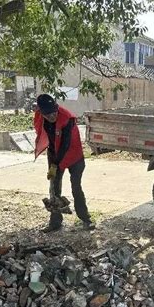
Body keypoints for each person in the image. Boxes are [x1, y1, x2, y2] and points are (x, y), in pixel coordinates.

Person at [34, 94, 95, 233]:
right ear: (42, 113)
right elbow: (46, 139)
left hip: (74, 156)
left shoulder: (67, 118)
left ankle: (86, 219)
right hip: (55, 155)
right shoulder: (40, 118)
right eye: (48, 115)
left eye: (54, 112)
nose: (52, 116)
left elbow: (65, 145)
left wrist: (55, 164)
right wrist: (52, 163)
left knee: (76, 188)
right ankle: (55, 222)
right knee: (54, 189)